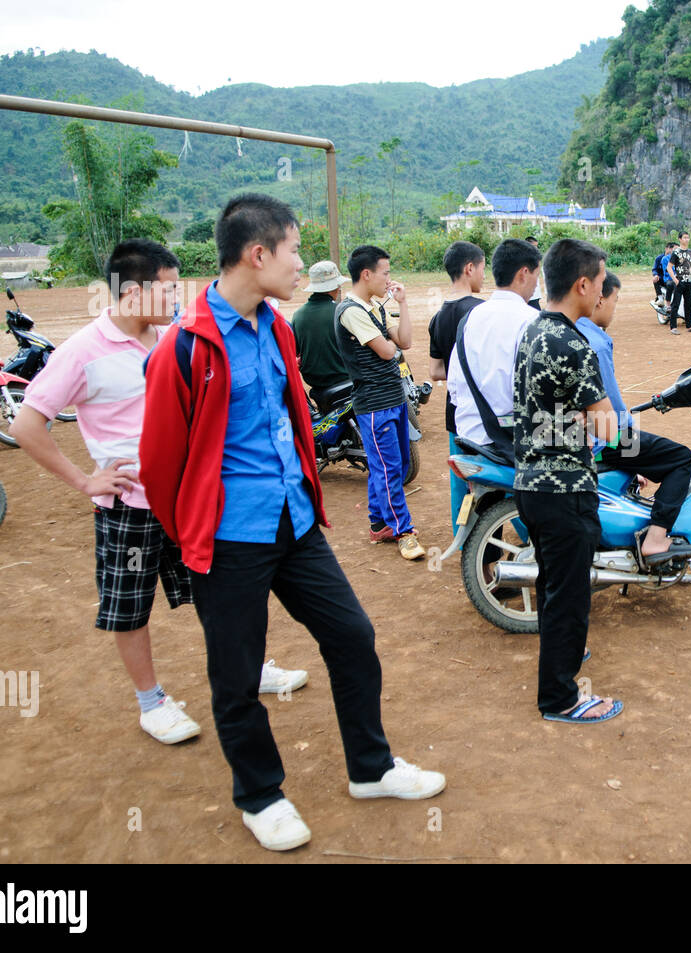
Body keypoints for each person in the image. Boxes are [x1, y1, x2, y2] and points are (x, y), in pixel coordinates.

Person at [140, 193, 444, 852]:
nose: (302, 263)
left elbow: (290, 418)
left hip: (295, 521)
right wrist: (196, 532)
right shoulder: (184, 348)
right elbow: (159, 464)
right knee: (237, 674)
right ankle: (260, 793)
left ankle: (371, 767)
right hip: (228, 537)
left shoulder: (276, 327)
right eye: (294, 249)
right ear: (258, 254)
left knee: (353, 635)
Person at [11, 238, 308, 749]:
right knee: (130, 606)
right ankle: (151, 702)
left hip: (190, 496)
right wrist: (86, 480)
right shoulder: (83, 351)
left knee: (219, 591)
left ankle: (250, 667)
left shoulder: (173, 338)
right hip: (131, 505)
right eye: (169, 289)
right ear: (131, 292)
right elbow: (26, 423)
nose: (177, 299)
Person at [512, 238, 621, 725]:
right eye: (600, 284)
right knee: (569, 598)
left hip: (531, 484)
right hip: (564, 488)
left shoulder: (533, 330)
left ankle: (563, 673)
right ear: (582, 285)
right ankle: (560, 699)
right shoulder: (574, 343)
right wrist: (595, 417)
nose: (602, 294)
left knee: (558, 590)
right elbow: (606, 428)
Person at [577, 271, 691, 564]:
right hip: (602, 437)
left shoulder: (566, 331)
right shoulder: (596, 341)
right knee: (681, 457)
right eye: (615, 300)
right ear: (599, 298)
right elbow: (610, 403)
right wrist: (631, 443)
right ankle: (656, 538)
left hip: (571, 431)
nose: (614, 308)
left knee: (645, 451)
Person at [335, 244, 424, 560]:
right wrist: (392, 346)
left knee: (392, 466)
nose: (389, 279)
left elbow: (405, 341)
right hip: (374, 404)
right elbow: (388, 351)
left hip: (393, 398)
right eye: (385, 273)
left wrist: (402, 303)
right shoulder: (350, 311)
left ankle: (379, 525)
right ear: (366, 274)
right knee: (387, 470)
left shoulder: (374, 307)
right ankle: (403, 531)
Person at [447, 238, 541, 455]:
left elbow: (453, 388)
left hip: (471, 441)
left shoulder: (470, 319)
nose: (537, 284)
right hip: (517, 446)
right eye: (537, 275)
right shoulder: (533, 320)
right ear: (524, 273)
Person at [427, 241, 486, 532]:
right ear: (469, 268)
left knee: (459, 479)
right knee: (494, 476)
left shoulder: (438, 316)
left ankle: (462, 539)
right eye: (482, 268)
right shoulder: (481, 312)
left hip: (454, 409)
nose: (484, 276)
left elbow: (435, 370)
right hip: (485, 414)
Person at [291, 260, 351, 391]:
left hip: (315, 382)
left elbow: (296, 352)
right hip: (345, 378)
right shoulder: (341, 311)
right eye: (338, 285)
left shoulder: (298, 315)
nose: (339, 287)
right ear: (334, 287)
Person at [665, 231, 691, 334]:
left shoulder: (690, 252)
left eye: (688, 238)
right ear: (680, 239)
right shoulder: (676, 252)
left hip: (689, 281)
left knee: (688, 304)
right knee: (676, 304)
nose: (686, 239)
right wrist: (675, 280)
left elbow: (690, 265)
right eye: (684, 238)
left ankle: (689, 326)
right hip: (680, 281)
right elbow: (669, 267)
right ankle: (673, 327)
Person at [650, 241, 676, 317]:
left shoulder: (676, 258)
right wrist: (655, 275)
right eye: (671, 248)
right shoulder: (659, 258)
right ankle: (660, 298)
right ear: (666, 248)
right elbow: (654, 269)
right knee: (655, 279)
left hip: (673, 278)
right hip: (663, 278)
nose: (672, 251)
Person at [526, 235, 546, 308]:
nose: (536, 248)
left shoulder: (534, 258)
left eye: (537, 246)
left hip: (535, 295)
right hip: (530, 296)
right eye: (534, 246)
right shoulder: (524, 259)